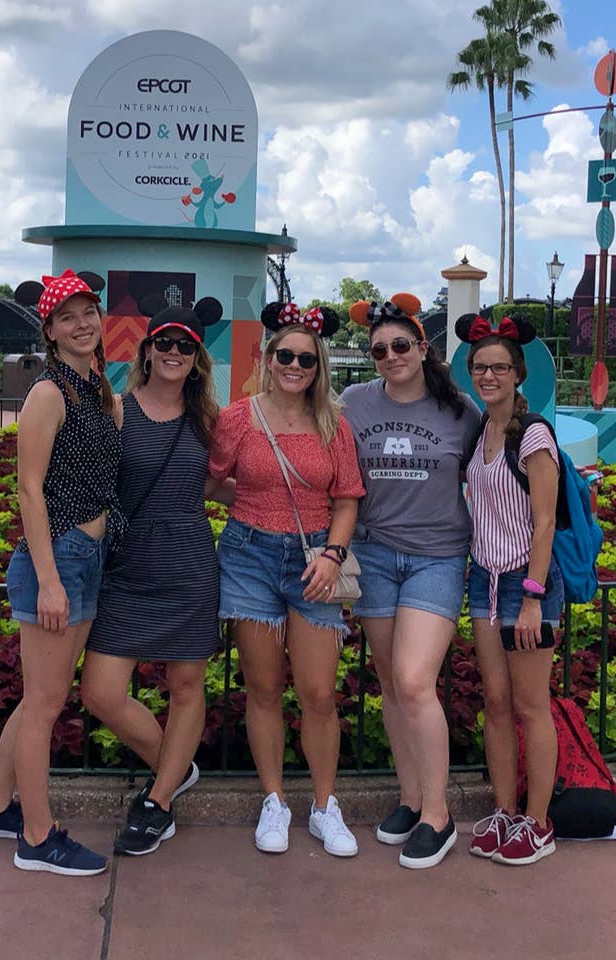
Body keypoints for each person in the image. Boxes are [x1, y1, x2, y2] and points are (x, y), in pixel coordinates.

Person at [0, 269, 122, 876]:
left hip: (88, 556)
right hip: (56, 558)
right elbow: (29, 491)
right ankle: (37, 837)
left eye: (88, 312)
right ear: (51, 330)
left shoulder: (100, 391)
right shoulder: (48, 393)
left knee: (39, 698)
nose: (81, 324)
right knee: (44, 704)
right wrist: (50, 578)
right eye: (67, 317)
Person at [210, 302, 365, 857]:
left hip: (314, 560)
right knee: (265, 687)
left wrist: (331, 553)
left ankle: (325, 805)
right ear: (268, 358)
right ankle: (274, 798)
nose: (295, 365)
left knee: (320, 692)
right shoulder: (237, 419)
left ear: (318, 364)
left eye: (306, 357)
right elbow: (209, 479)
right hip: (249, 554)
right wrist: (252, 500)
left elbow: (347, 497)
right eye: (286, 355)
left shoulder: (332, 423)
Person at [80, 297, 231, 857]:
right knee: (100, 691)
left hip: (189, 559)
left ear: (197, 358)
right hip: (128, 562)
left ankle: (160, 800)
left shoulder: (209, 421)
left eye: (184, 346)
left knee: (187, 686)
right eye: (163, 343)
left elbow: (218, 485)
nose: (173, 353)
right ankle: (177, 766)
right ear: (146, 351)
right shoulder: (116, 409)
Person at [341, 293, 481, 870]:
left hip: (437, 558)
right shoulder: (353, 402)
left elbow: (497, 465)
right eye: (379, 350)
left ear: (423, 348)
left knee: (413, 678)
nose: (390, 356)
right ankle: (409, 796)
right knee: (391, 684)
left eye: (401, 345)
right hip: (373, 555)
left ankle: (438, 814)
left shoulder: (461, 411)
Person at [456, 312, 564, 866]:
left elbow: (544, 521)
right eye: (480, 367)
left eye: (499, 366)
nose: (489, 375)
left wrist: (533, 595)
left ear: (518, 373)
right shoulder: (483, 431)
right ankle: (504, 810)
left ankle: (537, 821)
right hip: (484, 579)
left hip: (526, 580)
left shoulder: (534, 434)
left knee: (529, 705)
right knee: (495, 702)